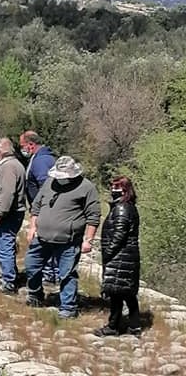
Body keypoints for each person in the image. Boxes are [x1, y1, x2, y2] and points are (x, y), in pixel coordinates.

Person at [24, 156, 101, 319]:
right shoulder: (50, 182)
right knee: (31, 266)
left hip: (68, 241)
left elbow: (93, 216)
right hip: (42, 237)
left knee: (67, 275)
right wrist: (32, 227)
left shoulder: (86, 187)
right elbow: (36, 206)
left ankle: (68, 308)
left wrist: (88, 240)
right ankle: (35, 295)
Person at [93, 176, 141, 337]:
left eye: (116, 187)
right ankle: (135, 326)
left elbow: (120, 234)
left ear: (124, 189)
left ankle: (113, 327)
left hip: (121, 256)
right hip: (126, 255)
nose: (112, 190)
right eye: (112, 186)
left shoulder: (122, 208)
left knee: (116, 293)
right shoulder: (127, 206)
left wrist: (108, 252)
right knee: (127, 293)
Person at [0, 138, 27, 293]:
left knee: (4, 246)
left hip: (7, 215)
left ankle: (8, 282)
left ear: (0, 152)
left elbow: (8, 193)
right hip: (9, 213)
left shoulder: (9, 167)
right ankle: (11, 274)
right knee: (4, 245)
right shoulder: (13, 165)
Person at [20, 130, 58, 283]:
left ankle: (49, 274)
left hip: (44, 210)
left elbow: (45, 186)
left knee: (44, 241)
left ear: (31, 145)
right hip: (45, 208)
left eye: (23, 146)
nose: (22, 149)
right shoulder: (43, 158)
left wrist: (39, 210)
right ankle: (51, 272)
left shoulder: (41, 161)